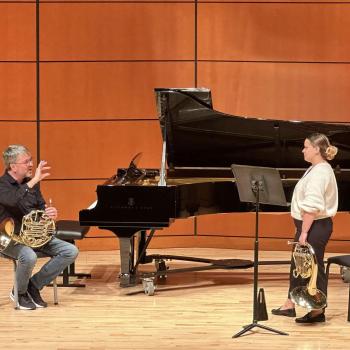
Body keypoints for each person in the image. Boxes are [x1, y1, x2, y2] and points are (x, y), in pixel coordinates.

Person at [0, 145, 79, 310]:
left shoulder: (32, 185)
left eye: (31, 160)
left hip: (33, 236)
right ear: (13, 166)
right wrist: (35, 180)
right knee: (28, 257)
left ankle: (33, 286)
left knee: (70, 251)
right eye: (26, 161)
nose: (31, 164)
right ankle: (19, 293)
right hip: (9, 239)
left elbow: (40, 208)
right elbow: (13, 201)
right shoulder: (2, 185)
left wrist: (49, 213)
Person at [271, 133, 338, 323]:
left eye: (306, 146)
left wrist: (305, 232)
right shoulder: (316, 168)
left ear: (316, 149)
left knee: (314, 268)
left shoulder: (320, 172)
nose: (303, 150)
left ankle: (318, 311)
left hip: (313, 226)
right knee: (299, 266)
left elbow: (313, 205)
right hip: (311, 225)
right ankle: (290, 303)